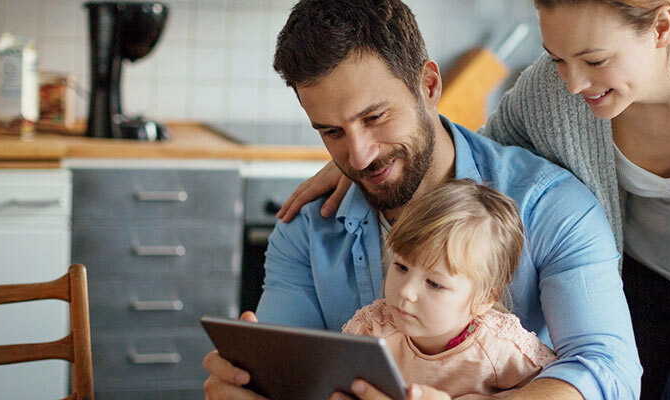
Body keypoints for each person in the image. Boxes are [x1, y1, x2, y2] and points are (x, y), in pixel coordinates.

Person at [276, 0, 670, 399]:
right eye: (556, 58)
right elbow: (478, 161)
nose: (572, 84)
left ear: (663, 26)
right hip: (633, 275)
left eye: (593, 60)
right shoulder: (555, 90)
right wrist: (367, 158)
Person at [202, 1, 642, 399]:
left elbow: (610, 373)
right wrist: (249, 387)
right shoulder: (307, 225)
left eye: (374, 117)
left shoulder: (550, 205)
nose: (359, 155)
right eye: (332, 132)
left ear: (429, 85)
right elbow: (289, 372)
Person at [343, 179, 557, 398]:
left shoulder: (502, 347)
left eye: (434, 283)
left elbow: (557, 388)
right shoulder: (370, 333)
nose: (406, 291)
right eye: (401, 266)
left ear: (485, 298)